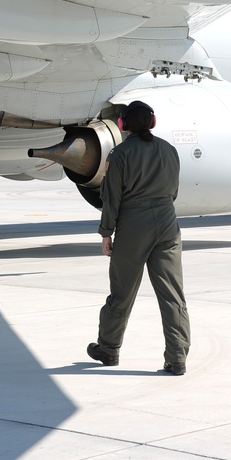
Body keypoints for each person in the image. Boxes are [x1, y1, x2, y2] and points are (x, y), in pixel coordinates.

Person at [87, 100, 190, 375]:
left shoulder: (120, 155)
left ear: (123, 125)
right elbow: (174, 190)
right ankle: (177, 357)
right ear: (152, 123)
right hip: (168, 223)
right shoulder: (169, 150)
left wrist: (106, 232)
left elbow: (112, 198)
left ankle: (109, 349)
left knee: (122, 293)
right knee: (172, 295)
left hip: (134, 225)